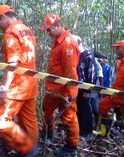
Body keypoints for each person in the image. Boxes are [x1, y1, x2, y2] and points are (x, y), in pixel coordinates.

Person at [0, 5, 39, 157]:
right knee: (29, 121)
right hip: (30, 84)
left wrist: (4, 88)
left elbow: (13, 63)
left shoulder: (11, 32)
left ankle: (29, 149)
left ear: (3, 17)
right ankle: (32, 150)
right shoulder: (26, 30)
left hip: (17, 86)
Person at [41, 14, 79, 156]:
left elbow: (70, 71)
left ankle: (71, 146)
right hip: (52, 88)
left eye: (49, 30)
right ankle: (48, 133)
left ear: (57, 26)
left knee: (69, 118)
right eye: (47, 31)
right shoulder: (58, 41)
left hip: (64, 90)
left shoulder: (68, 43)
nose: (48, 33)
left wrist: (69, 94)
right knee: (47, 110)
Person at [73, 35, 98, 142]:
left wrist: (88, 90)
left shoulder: (87, 54)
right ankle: (80, 130)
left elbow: (92, 73)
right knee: (79, 108)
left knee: (86, 108)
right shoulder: (77, 54)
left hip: (85, 87)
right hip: (77, 86)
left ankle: (88, 131)